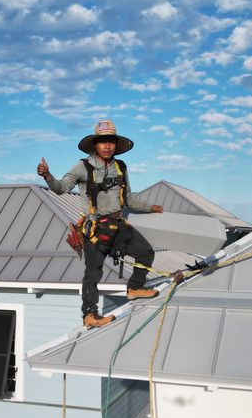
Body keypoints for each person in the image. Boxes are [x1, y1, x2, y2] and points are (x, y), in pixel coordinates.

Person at [38, 119, 164, 329]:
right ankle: (89, 315)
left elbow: (129, 199)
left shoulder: (120, 167)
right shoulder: (83, 167)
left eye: (111, 141)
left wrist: (151, 207)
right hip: (96, 230)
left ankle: (135, 288)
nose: (107, 146)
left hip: (117, 224)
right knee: (93, 272)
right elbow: (60, 188)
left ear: (116, 144)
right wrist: (47, 175)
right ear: (95, 145)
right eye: (103, 141)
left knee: (146, 252)